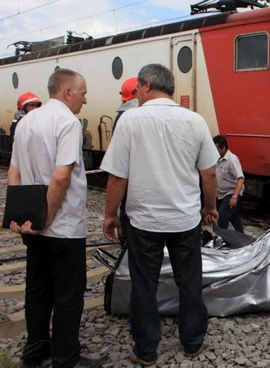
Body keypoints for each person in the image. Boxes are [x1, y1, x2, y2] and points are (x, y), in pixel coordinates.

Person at [100, 63, 220, 365]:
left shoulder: (130, 121)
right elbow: (209, 174)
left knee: (145, 285)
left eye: (137, 89)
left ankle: (147, 350)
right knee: (190, 282)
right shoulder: (195, 121)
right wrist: (210, 207)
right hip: (185, 220)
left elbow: (117, 178)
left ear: (145, 85)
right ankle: (192, 341)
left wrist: (110, 215)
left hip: (144, 222)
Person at [7, 69, 105, 367]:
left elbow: (14, 172)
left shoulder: (25, 122)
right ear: (67, 92)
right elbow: (61, 177)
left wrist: (23, 216)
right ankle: (66, 358)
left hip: (32, 229)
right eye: (83, 92)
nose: (85, 100)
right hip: (62, 229)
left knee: (37, 290)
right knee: (67, 295)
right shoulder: (67, 122)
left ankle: (35, 351)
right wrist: (45, 218)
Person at [113, 77, 140, 248]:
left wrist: (110, 213)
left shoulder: (121, 118)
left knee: (127, 211)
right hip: (138, 178)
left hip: (129, 180)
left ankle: (127, 247)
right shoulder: (135, 117)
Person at [213, 135, 245, 233]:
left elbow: (240, 179)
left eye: (216, 149)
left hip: (231, 192)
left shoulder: (232, 160)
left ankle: (222, 236)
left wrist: (234, 197)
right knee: (232, 215)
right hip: (221, 193)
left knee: (222, 214)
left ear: (223, 148)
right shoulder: (217, 158)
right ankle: (241, 236)